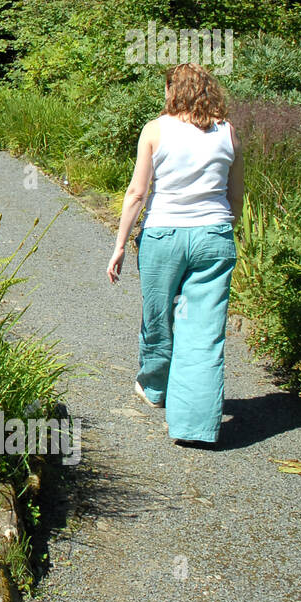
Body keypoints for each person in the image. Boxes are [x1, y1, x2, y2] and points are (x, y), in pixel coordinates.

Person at [105, 63, 244, 447]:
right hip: (214, 235)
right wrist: (222, 230)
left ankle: (154, 388)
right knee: (204, 330)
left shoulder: (156, 129)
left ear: (172, 91)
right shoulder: (227, 131)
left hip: (163, 234)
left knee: (159, 314)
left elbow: (137, 194)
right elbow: (236, 197)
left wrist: (119, 246)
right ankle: (195, 424)